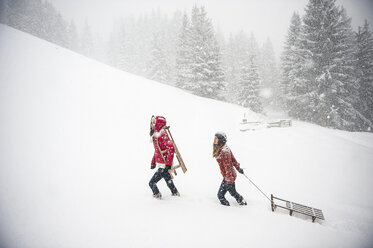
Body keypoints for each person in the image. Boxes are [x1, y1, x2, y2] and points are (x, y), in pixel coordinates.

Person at [149, 115, 179, 199]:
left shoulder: (163, 134)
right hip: (162, 163)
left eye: (154, 122)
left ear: (158, 124)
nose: (152, 124)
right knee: (168, 180)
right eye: (151, 122)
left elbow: (171, 149)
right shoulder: (156, 135)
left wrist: (168, 164)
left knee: (151, 183)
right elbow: (157, 151)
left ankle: (157, 196)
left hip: (164, 164)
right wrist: (153, 162)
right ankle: (175, 193)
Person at [213, 132, 247, 206]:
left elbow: (228, 167)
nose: (214, 140)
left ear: (221, 140)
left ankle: (228, 211)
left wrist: (228, 181)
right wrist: (238, 168)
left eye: (216, 138)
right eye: (214, 138)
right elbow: (233, 160)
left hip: (229, 176)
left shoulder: (224, 151)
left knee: (220, 196)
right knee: (232, 192)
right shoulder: (223, 148)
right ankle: (242, 201)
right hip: (229, 176)